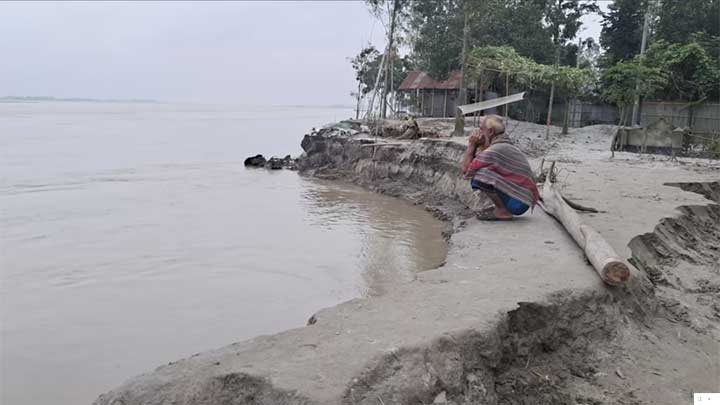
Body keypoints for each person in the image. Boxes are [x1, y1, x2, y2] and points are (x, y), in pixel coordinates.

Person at [462, 115, 539, 220]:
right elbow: (478, 160)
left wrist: (471, 145)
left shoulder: (495, 150)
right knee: (484, 171)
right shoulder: (505, 145)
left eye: (481, 129)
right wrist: (477, 146)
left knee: (479, 175)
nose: (479, 132)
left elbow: (466, 170)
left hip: (517, 203)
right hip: (522, 199)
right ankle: (501, 208)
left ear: (490, 132)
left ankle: (503, 211)